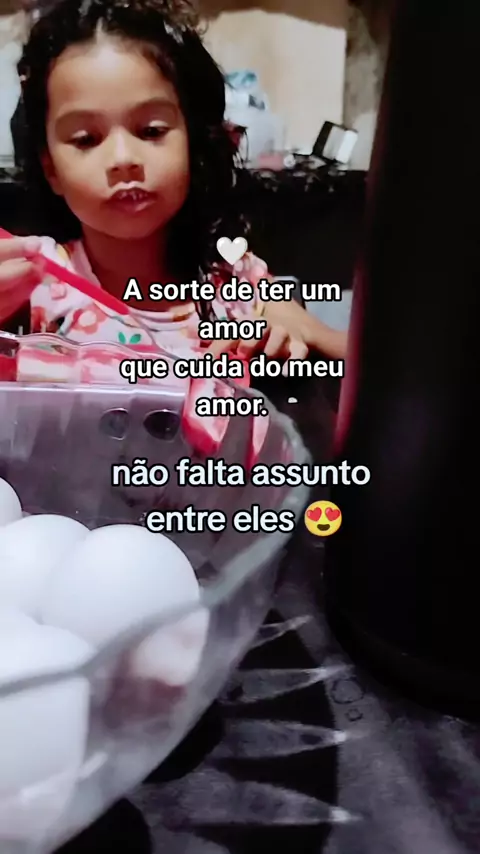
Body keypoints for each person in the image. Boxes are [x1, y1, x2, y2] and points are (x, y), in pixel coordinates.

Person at [0, 0, 347, 363]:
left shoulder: (236, 279)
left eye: (151, 131)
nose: (123, 159)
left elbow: (362, 360)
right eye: (86, 139)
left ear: (193, 143)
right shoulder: (32, 283)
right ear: (51, 169)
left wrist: (297, 325)